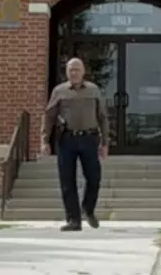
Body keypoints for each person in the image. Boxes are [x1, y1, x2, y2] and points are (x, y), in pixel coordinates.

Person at [40, 57, 109, 232]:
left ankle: (88, 208)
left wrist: (105, 143)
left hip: (89, 139)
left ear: (83, 71)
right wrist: (44, 140)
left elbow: (102, 117)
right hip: (66, 139)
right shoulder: (59, 91)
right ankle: (73, 220)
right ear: (67, 72)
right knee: (67, 180)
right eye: (71, 70)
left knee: (94, 178)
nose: (74, 73)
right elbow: (49, 116)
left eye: (77, 69)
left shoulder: (93, 90)